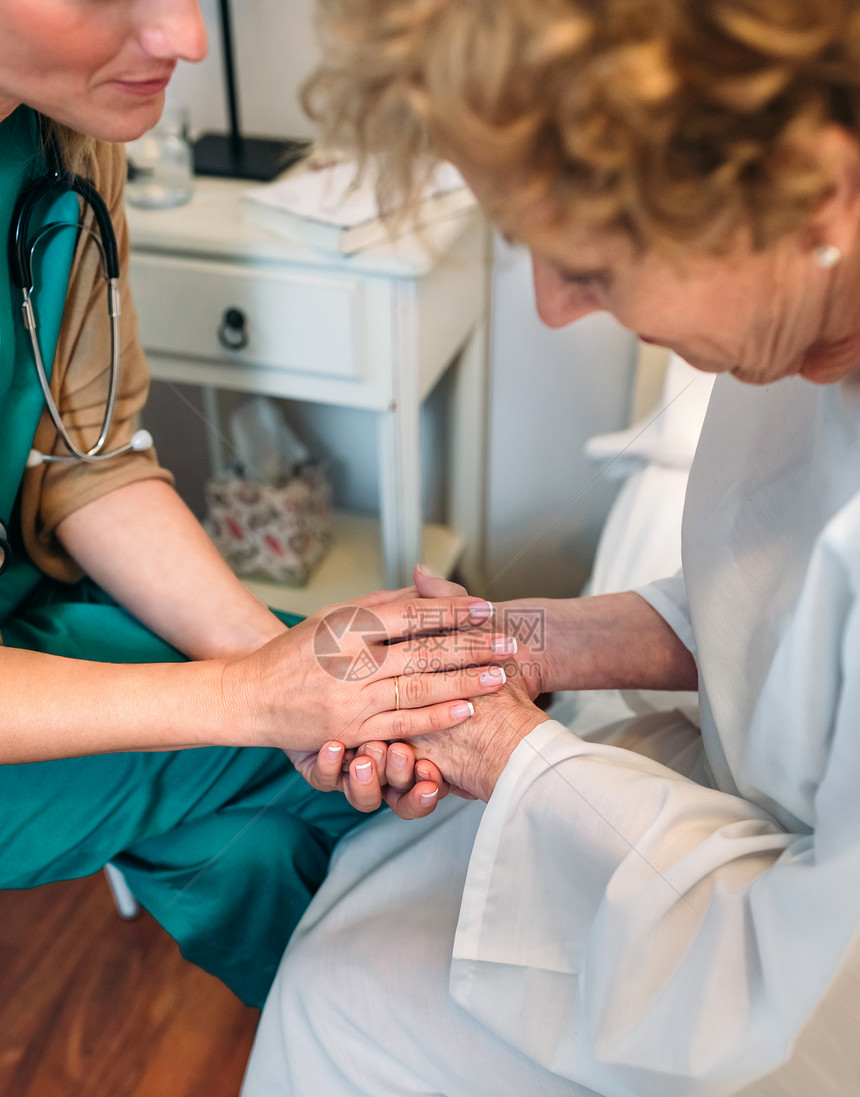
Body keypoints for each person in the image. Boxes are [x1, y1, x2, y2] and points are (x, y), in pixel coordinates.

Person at [225, 0, 860, 1097]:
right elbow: (777, 612)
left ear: (816, 197)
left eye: (594, 262)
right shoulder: (797, 343)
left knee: (370, 1016)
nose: (556, 307)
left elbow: (803, 994)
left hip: (802, 1032)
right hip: (767, 884)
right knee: (359, 940)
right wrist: (511, 643)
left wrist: (503, 752)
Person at [0, 0, 513, 1009]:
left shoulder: (62, 139)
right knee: (400, 774)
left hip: (30, 621)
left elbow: (86, 462)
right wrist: (254, 700)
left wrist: (279, 671)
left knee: (251, 843)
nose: (185, 39)